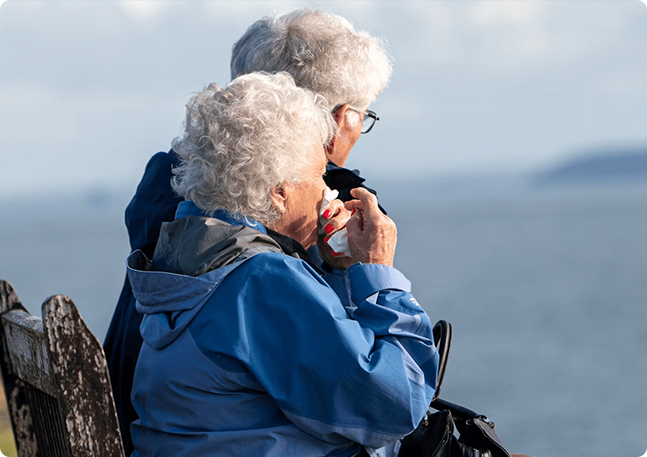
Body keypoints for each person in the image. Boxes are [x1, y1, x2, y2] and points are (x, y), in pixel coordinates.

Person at [103, 8, 394, 452]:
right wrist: (374, 278)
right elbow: (373, 398)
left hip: (139, 415)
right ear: (335, 118)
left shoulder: (176, 190)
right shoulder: (275, 243)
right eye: (362, 115)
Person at [128, 72, 438, 457]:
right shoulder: (261, 280)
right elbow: (395, 404)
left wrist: (338, 269)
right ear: (279, 193)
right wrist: (379, 275)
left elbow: (324, 374)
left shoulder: (189, 256)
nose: (328, 190)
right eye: (318, 175)